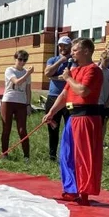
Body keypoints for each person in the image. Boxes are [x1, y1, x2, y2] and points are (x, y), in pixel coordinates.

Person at [42, 37, 103, 204]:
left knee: (83, 156)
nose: (72, 53)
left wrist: (68, 78)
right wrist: (52, 112)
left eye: (75, 50)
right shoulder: (74, 71)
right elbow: (64, 95)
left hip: (86, 117)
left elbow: (83, 91)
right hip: (73, 116)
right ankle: (71, 189)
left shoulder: (93, 70)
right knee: (67, 154)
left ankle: (84, 192)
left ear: (86, 51)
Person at [43, 36, 74, 161]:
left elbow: (71, 77)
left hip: (69, 100)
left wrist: (55, 77)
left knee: (70, 127)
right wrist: (61, 61)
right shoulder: (52, 60)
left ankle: (68, 154)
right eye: (60, 45)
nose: (62, 48)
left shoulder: (74, 61)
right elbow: (47, 73)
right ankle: (52, 154)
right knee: (53, 126)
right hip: (53, 98)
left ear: (70, 46)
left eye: (65, 45)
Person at [1, 50, 33, 161]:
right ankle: (4, 153)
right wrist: (28, 74)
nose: (22, 62)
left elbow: (28, 90)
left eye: (25, 60)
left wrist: (28, 104)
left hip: (21, 102)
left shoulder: (26, 72)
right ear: (15, 59)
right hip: (8, 100)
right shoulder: (9, 70)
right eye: (20, 59)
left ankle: (26, 156)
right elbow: (17, 82)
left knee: (22, 130)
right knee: (6, 128)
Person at [97, 52, 109, 135]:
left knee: (102, 122)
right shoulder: (95, 70)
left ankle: (101, 141)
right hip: (94, 101)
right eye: (105, 60)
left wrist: (108, 101)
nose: (107, 63)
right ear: (101, 59)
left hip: (103, 102)